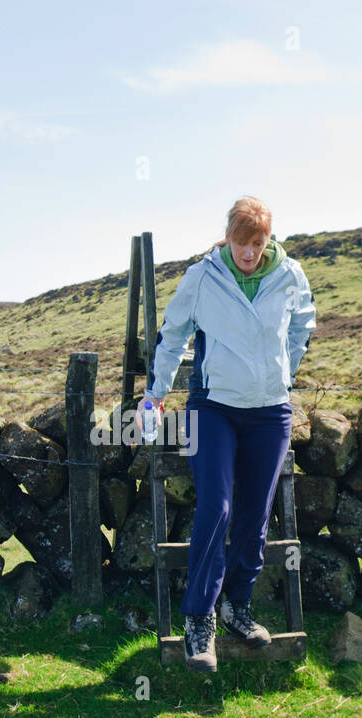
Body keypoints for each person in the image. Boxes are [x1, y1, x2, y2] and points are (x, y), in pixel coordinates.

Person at [142, 196, 316, 672]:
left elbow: (303, 325)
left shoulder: (290, 275)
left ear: (268, 240)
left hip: (269, 412)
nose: (249, 253)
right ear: (229, 237)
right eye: (242, 243)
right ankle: (199, 620)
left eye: (257, 243)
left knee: (254, 515)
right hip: (211, 409)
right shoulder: (204, 277)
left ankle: (238, 607)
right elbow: (172, 333)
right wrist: (155, 394)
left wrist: (284, 374)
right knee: (215, 507)